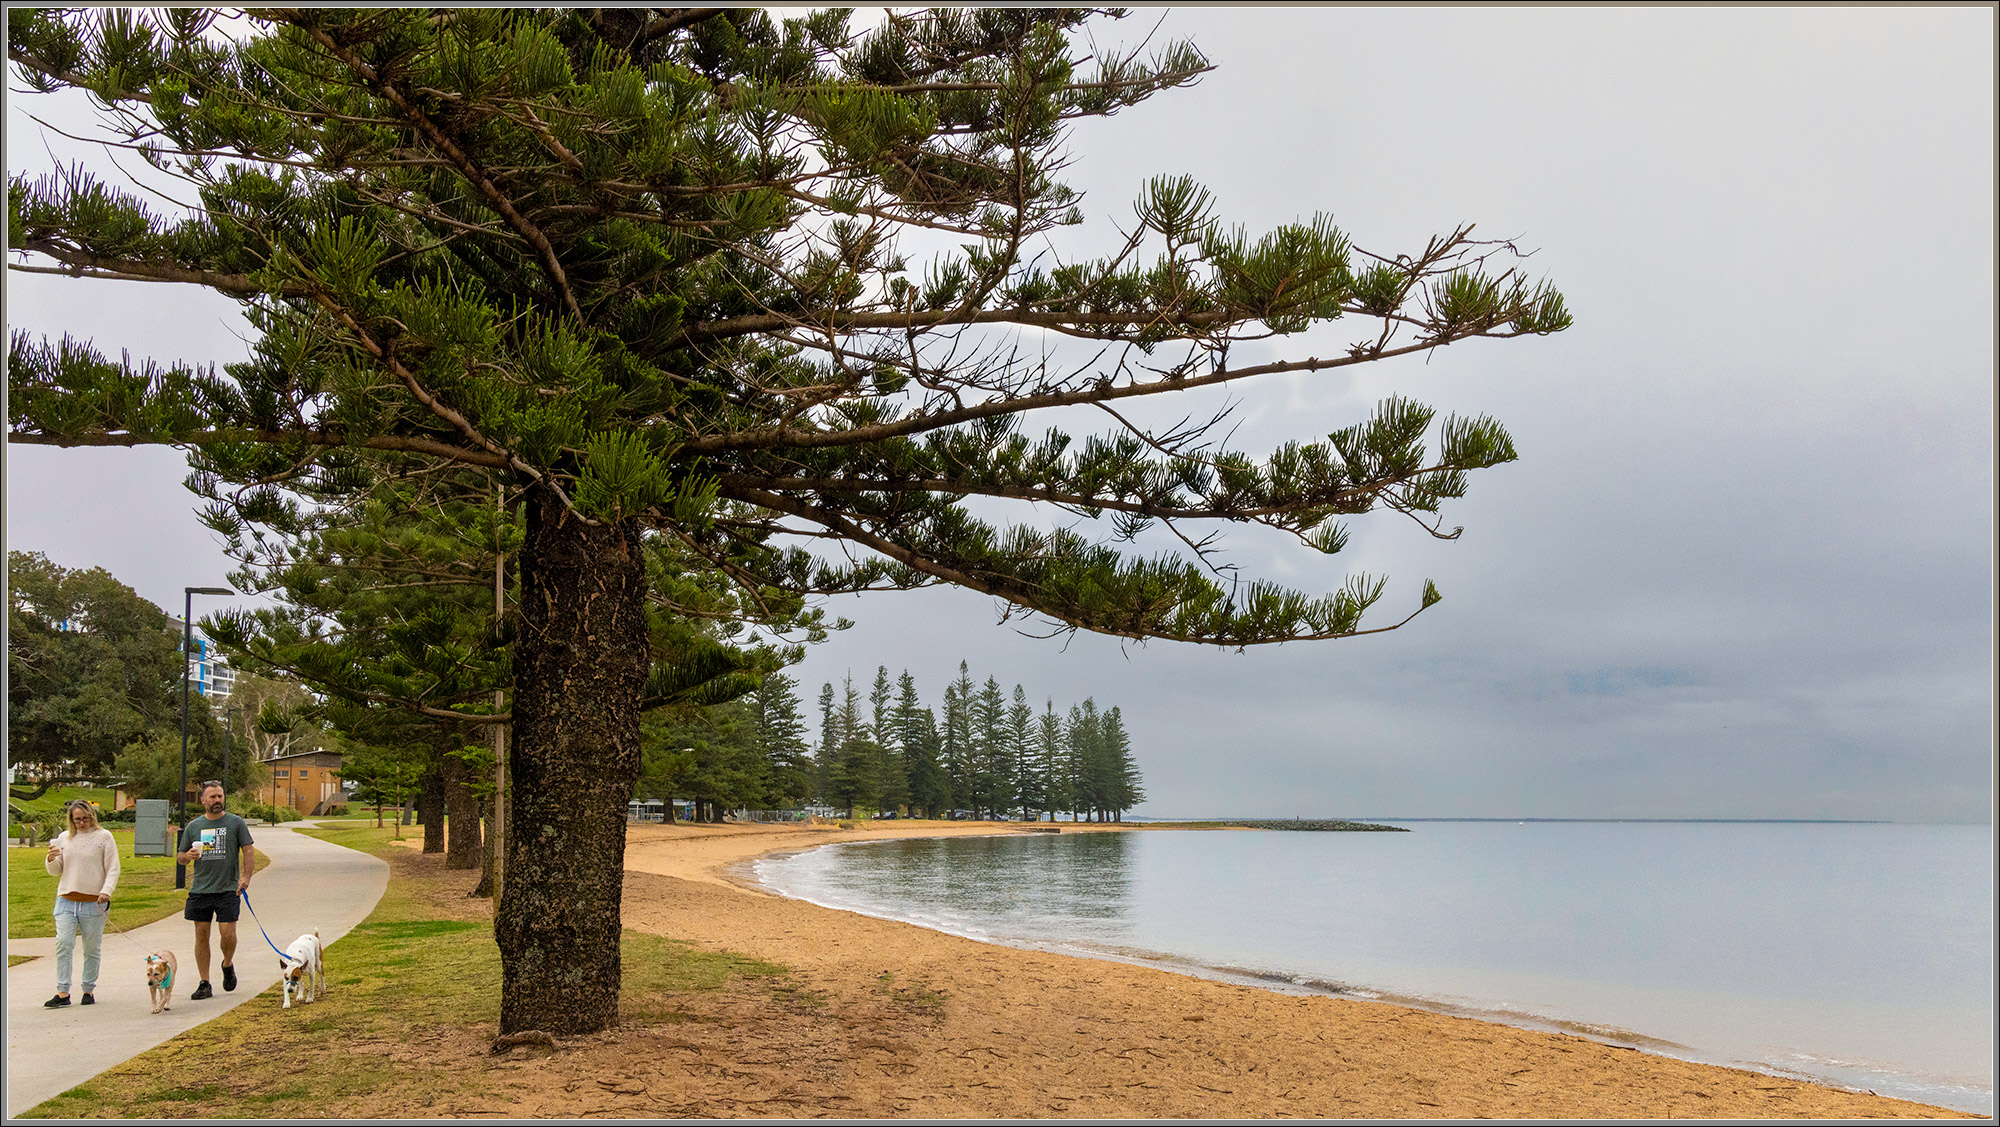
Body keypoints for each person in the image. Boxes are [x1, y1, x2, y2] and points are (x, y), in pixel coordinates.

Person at [174, 781, 255, 1000]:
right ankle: (204, 982)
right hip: (201, 889)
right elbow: (180, 857)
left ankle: (227, 964)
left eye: (219, 796)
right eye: (212, 797)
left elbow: (248, 850)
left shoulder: (235, 823)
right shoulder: (194, 826)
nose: (217, 800)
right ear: (203, 800)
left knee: (227, 933)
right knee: (201, 934)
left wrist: (246, 876)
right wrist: (187, 856)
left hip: (228, 888)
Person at [43, 799, 119, 1007]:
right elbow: (56, 870)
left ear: (92, 817)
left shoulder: (104, 837)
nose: (82, 823)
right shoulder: (64, 838)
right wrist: (51, 858)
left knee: (92, 947)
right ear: (71, 820)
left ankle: (88, 989)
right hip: (66, 899)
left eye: (85, 818)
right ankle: (62, 992)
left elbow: (113, 867)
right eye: (77, 820)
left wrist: (106, 891)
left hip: (93, 901)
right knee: (64, 943)